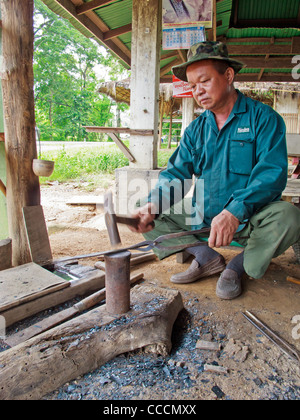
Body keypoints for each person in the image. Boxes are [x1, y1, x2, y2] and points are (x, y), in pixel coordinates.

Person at [130, 41, 300, 300]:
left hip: (249, 222)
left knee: (289, 217)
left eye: (205, 81)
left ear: (228, 75)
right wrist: (153, 203)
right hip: (203, 218)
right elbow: (176, 176)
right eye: (192, 86)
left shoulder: (263, 119)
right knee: (147, 208)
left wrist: (235, 211)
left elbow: (271, 175)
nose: (198, 91)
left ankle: (237, 266)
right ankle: (206, 256)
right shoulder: (195, 130)